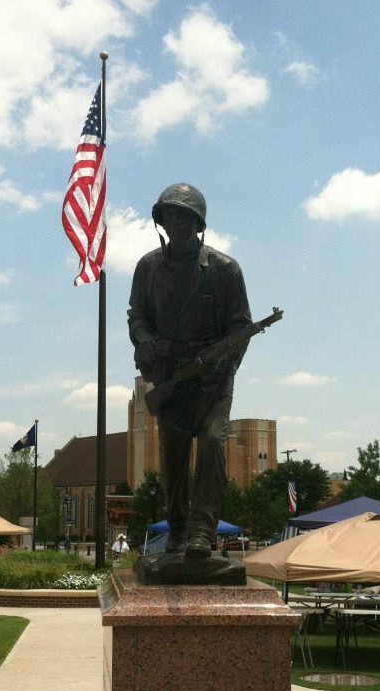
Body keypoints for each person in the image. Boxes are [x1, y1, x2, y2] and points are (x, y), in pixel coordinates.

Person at [128, 183, 252, 559]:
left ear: (198, 224)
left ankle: (201, 532)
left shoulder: (225, 269)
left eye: (184, 217)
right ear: (161, 221)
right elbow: (137, 317)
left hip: (213, 380)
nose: (176, 223)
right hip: (171, 377)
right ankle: (179, 530)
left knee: (213, 443)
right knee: (173, 457)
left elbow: (240, 328)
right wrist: (144, 341)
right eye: (170, 216)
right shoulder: (148, 267)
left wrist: (221, 364)